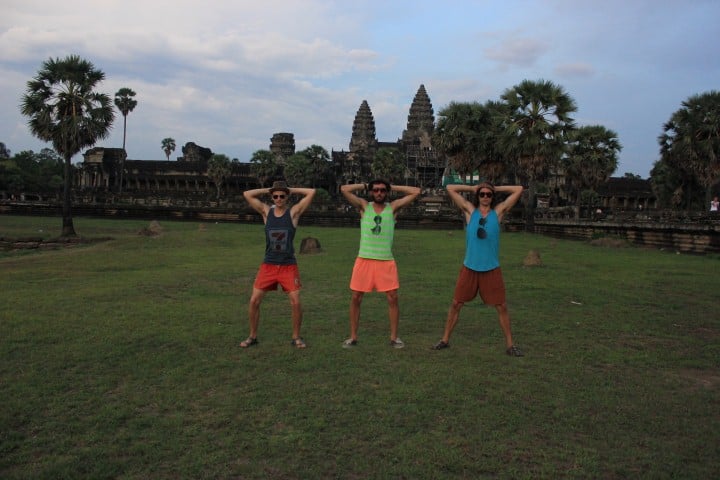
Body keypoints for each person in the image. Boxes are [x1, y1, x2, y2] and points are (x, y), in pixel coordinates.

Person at [431, 181, 525, 356]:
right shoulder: (470, 211)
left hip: (491, 268)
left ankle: (510, 345)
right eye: (482, 194)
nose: (485, 197)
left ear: (492, 197)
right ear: (478, 196)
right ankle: (444, 340)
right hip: (470, 267)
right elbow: (450, 188)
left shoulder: (498, 213)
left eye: (489, 194)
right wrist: (473, 188)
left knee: (502, 306)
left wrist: (495, 187)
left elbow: (518, 189)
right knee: (456, 304)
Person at [340, 180, 421, 349]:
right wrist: (365, 185)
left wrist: (393, 187)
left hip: (385, 260)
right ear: (371, 192)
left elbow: (416, 191)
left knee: (392, 298)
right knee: (356, 297)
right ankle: (353, 337)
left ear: (387, 192)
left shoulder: (393, 208)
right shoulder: (364, 206)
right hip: (364, 259)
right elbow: (344, 189)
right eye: (375, 190)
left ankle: (394, 338)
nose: (379, 193)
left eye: (383, 190)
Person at [240, 180, 316, 349]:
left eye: (282, 196)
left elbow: (311, 192)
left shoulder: (293, 213)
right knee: (254, 301)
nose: (279, 199)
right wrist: (270, 189)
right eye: (275, 196)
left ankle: (296, 337)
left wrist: (289, 189)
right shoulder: (266, 212)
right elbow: (247, 194)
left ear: (287, 197)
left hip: (288, 266)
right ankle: (252, 336)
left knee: (296, 302)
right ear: (272, 197)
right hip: (269, 265)